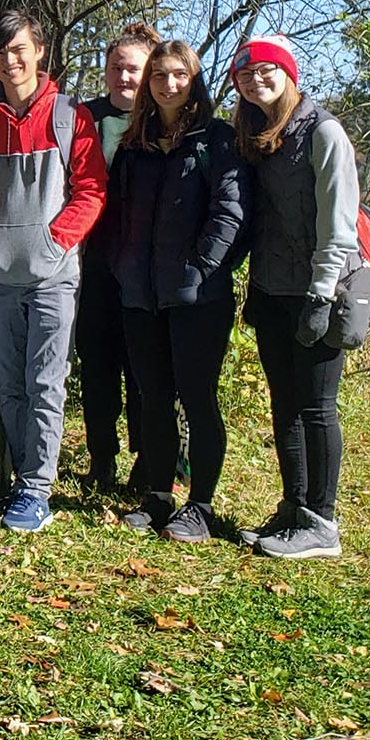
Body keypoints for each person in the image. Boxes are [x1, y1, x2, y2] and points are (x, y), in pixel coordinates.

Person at [0, 9, 107, 534]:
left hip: (54, 275)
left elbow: (91, 190)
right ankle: (18, 474)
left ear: (40, 51)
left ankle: (35, 489)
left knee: (45, 383)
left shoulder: (71, 116)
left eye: (19, 49)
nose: (11, 61)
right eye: (0, 53)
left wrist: (55, 240)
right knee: (9, 384)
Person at [107, 41, 246, 541]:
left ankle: (201, 506)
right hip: (140, 293)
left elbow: (230, 214)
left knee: (197, 397)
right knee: (153, 398)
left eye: (178, 76)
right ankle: (158, 495)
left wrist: (200, 270)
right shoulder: (134, 144)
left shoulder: (216, 140)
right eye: (160, 76)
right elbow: (118, 215)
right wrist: (122, 266)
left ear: (194, 81)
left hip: (198, 298)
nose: (168, 85)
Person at [231, 34, 362, 560]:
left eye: (266, 69)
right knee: (284, 405)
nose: (256, 79)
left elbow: (340, 224)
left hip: (320, 289)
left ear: (289, 73)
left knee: (315, 406)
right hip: (273, 288)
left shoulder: (323, 132)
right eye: (245, 73)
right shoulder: (258, 132)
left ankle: (321, 522)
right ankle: (294, 509)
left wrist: (321, 294)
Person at [78, 22, 157, 490]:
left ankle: (149, 460)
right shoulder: (86, 118)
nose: (124, 77)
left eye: (134, 69)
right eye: (116, 68)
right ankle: (101, 458)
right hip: (96, 265)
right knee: (99, 367)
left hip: (148, 269)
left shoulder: (166, 119)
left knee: (144, 369)